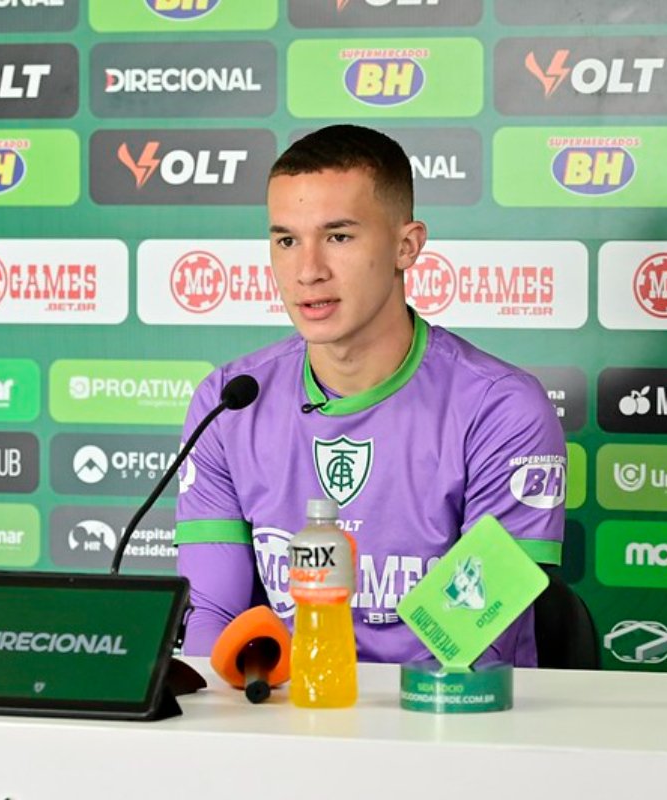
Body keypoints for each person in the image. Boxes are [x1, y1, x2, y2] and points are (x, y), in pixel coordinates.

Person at [175, 124, 566, 666]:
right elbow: (210, 620)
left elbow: (473, 643)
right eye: (287, 240)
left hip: (446, 730)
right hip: (285, 723)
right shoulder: (229, 402)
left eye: (338, 236)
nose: (308, 271)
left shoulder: (502, 409)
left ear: (407, 246)